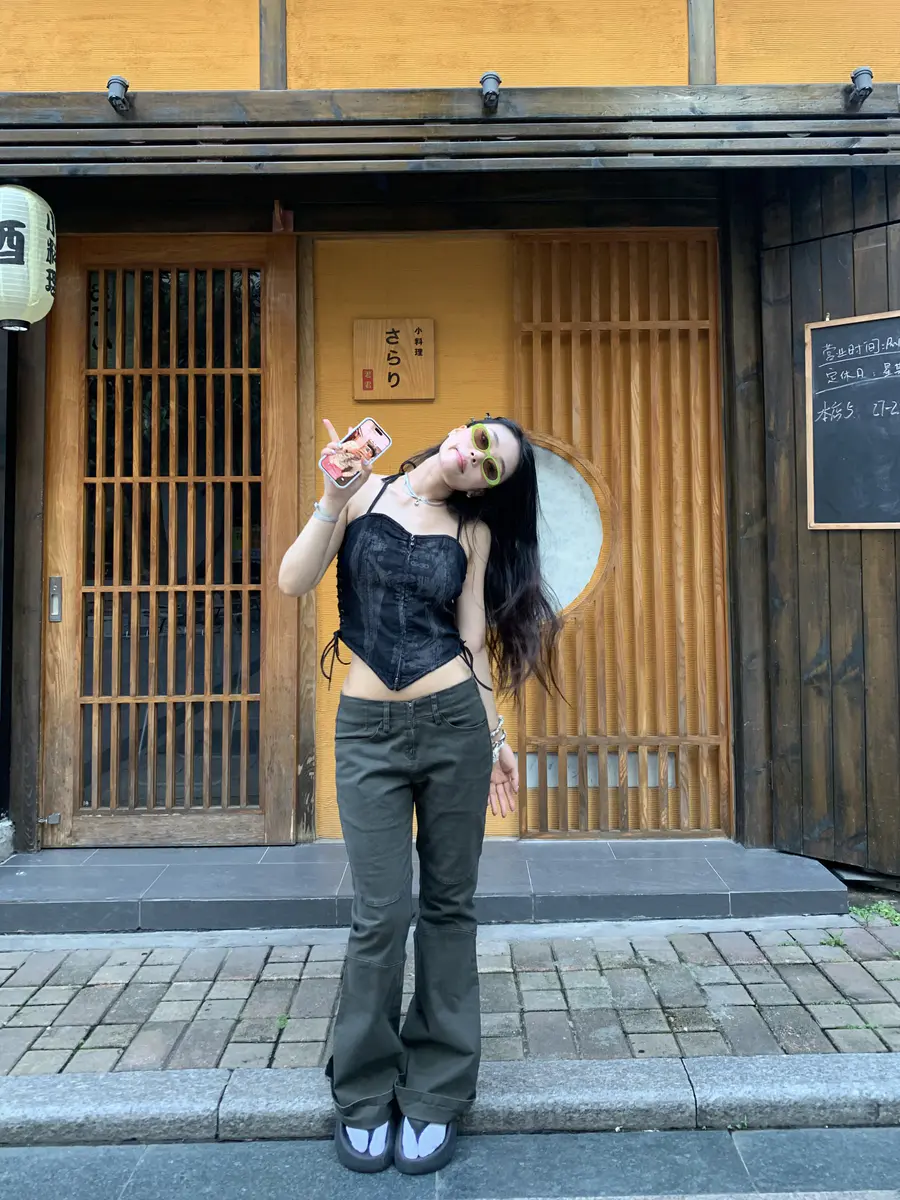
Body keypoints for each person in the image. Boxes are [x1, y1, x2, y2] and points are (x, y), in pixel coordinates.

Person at [278, 415, 560, 1176]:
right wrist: (331, 497)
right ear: (459, 430)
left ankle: (436, 1089)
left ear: (489, 489)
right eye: (479, 439)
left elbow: (472, 642)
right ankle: (363, 1087)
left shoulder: (473, 533)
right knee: (380, 914)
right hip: (366, 732)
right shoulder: (361, 492)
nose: (474, 458)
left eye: (492, 467)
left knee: (447, 907)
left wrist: (496, 740)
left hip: (453, 727)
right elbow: (293, 582)